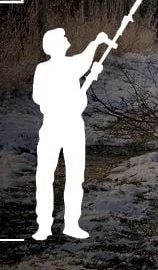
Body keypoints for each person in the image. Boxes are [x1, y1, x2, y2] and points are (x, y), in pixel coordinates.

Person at [32, 27, 116, 240]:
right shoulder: (44, 69)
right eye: (63, 38)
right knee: (44, 176)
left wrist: (97, 42)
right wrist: (62, 101)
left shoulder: (71, 65)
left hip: (73, 127)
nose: (67, 39)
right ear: (54, 44)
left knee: (75, 176)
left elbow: (85, 59)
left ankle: (71, 223)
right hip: (52, 125)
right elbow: (38, 96)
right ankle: (43, 225)